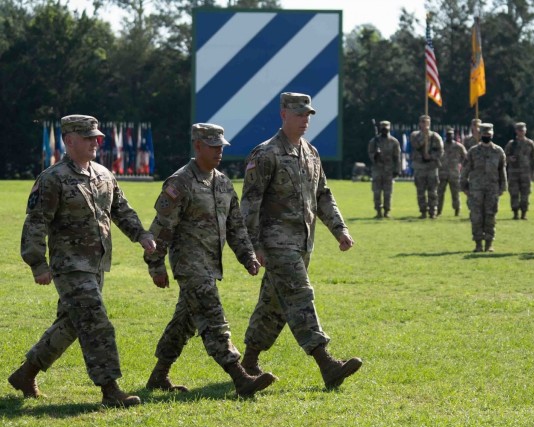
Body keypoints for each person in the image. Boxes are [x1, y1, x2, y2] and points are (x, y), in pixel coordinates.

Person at [9, 114, 156, 408]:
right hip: (69, 266)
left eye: (96, 137)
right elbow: (36, 222)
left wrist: (140, 234)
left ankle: (25, 374)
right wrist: (38, 263)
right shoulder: (52, 178)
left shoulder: (103, 175)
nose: (96, 141)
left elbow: (120, 209)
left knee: (71, 324)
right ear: (69, 140)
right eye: (89, 137)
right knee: (95, 321)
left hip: (97, 265)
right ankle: (111, 390)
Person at [143, 123, 276, 397]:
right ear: (198, 146)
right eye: (213, 146)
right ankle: (241, 378)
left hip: (210, 266)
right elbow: (162, 227)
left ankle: (158, 376)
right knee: (213, 319)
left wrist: (248, 256)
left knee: (184, 322)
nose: (219, 152)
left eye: (221, 147)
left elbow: (236, 227)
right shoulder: (180, 182)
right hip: (190, 266)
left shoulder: (223, 183)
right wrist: (156, 264)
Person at [240, 92, 362, 389]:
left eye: (308, 114)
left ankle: (248, 362)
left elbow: (322, 196)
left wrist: (340, 229)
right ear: (283, 114)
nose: (305, 120)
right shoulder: (266, 154)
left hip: (303, 243)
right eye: (298, 114)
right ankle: (326, 363)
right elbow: (250, 204)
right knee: (300, 295)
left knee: (273, 304)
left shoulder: (311, 153)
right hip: (276, 244)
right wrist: (254, 247)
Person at [461, 123, 507, 252]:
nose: (487, 136)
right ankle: (478, 244)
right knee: (476, 217)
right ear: (480, 134)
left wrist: (503, 187)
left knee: (490, 216)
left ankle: (489, 243)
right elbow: (466, 169)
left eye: (489, 134)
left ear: (492, 134)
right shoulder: (473, 151)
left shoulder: (498, 151)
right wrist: (463, 185)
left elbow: (502, 170)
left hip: (492, 189)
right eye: (484, 134)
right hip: (475, 190)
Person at [410, 115, 444, 218]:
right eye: (423, 122)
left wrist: (431, 156)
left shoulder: (435, 136)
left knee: (432, 191)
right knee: (420, 191)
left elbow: (441, 151)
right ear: (420, 123)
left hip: (431, 167)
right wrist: (424, 137)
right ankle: (423, 211)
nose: (425, 124)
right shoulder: (415, 135)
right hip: (419, 167)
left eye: (427, 122)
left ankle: (433, 211)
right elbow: (416, 145)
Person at [368, 120, 401, 218]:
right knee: (376, 192)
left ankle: (387, 211)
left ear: (389, 129)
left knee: (388, 193)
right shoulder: (374, 141)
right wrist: (376, 154)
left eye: (386, 129)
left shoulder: (394, 142)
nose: (384, 130)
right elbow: (370, 154)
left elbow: (397, 157)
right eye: (382, 129)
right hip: (377, 170)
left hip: (389, 170)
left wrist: (397, 170)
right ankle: (378, 211)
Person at [504, 122, 534, 220]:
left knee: (525, 194)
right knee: (513, 194)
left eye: (522, 130)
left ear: (525, 131)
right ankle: (515, 213)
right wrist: (510, 158)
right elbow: (504, 157)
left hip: (526, 173)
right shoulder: (511, 144)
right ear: (516, 131)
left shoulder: (530, 144)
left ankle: (524, 213)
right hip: (513, 173)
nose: (521, 132)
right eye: (519, 130)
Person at [437, 126, 467, 217]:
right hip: (442, 173)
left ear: (453, 135)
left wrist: (461, 166)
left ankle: (457, 210)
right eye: (448, 134)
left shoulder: (458, 146)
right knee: (440, 193)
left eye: (451, 134)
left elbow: (465, 158)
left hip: (454, 173)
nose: (449, 136)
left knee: (455, 194)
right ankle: (438, 210)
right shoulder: (441, 146)